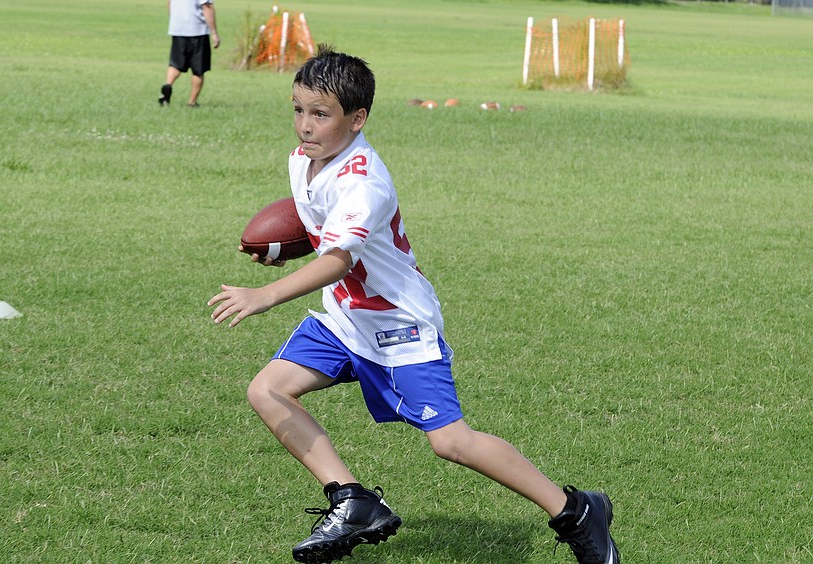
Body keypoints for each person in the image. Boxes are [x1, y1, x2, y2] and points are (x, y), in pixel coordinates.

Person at [208, 45, 620, 564]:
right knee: (268, 390)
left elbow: (337, 259)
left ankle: (576, 512)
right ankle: (352, 500)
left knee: (451, 442)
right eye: (298, 109)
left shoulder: (364, 181)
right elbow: (324, 234)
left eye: (321, 114)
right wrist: (282, 251)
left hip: (397, 323)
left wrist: (266, 295)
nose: (305, 126)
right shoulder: (302, 162)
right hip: (344, 317)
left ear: (358, 119)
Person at [159, 0, 220, 107]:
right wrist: (214, 33)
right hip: (197, 31)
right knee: (198, 69)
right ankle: (192, 102)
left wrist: (174, 21)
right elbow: (207, 7)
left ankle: (168, 85)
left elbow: (170, 3)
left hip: (178, 30)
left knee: (175, 64)